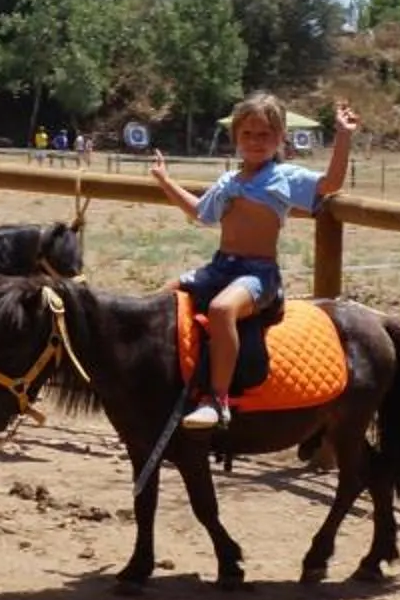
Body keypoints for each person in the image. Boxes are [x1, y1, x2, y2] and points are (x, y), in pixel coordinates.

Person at [148, 94, 357, 430]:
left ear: (279, 139)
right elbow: (201, 213)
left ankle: (217, 400)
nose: (256, 142)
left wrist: (343, 136)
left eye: (264, 135)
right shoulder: (228, 182)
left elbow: (330, 184)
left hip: (258, 273)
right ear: (236, 138)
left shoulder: (284, 176)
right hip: (219, 267)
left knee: (221, 310)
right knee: (158, 299)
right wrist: (165, 180)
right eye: (248, 134)